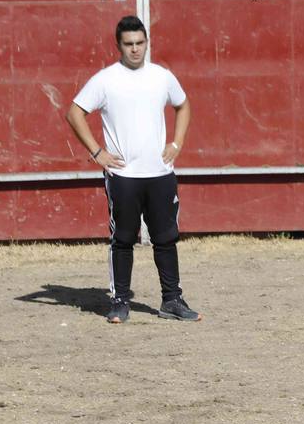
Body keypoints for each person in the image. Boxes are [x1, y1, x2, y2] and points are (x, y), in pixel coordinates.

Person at [64, 16, 202, 325]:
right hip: (124, 175)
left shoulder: (161, 76)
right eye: (129, 44)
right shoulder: (105, 79)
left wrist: (177, 143)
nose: (135, 50)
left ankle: (172, 300)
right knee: (123, 238)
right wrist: (97, 152)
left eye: (140, 43)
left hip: (160, 172)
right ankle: (120, 301)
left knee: (166, 237)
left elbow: (183, 105)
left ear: (147, 43)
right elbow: (74, 113)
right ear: (119, 46)